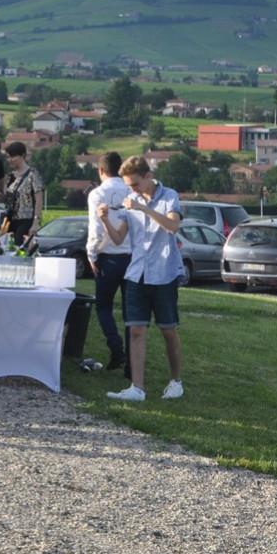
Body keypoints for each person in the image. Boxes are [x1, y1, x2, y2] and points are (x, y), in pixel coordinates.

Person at [97, 155, 185, 402]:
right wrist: (104, 219)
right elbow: (117, 239)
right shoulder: (131, 200)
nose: (131, 189)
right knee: (136, 330)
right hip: (136, 272)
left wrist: (144, 208)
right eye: (128, 185)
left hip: (164, 272)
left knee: (168, 330)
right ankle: (137, 388)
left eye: (135, 184)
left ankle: (176, 381)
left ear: (148, 177)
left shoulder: (169, 196)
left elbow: (172, 226)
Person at [87, 151, 132, 372]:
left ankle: (116, 349)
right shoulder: (131, 190)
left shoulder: (97, 194)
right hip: (131, 256)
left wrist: (91, 254)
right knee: (131, 311)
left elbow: (95, 229)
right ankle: (133, 360)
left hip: (108, 256)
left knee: (104, 307)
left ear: (101, 170)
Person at [4, 141, 44, 248]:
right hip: (10, 220)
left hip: (26, 220)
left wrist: (36, 222)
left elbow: (39, 200)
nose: (10, 160)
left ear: (22, 156)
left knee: (20, 248)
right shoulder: (9, 176)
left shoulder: (33, 174)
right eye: (8, 157)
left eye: (13, 157)